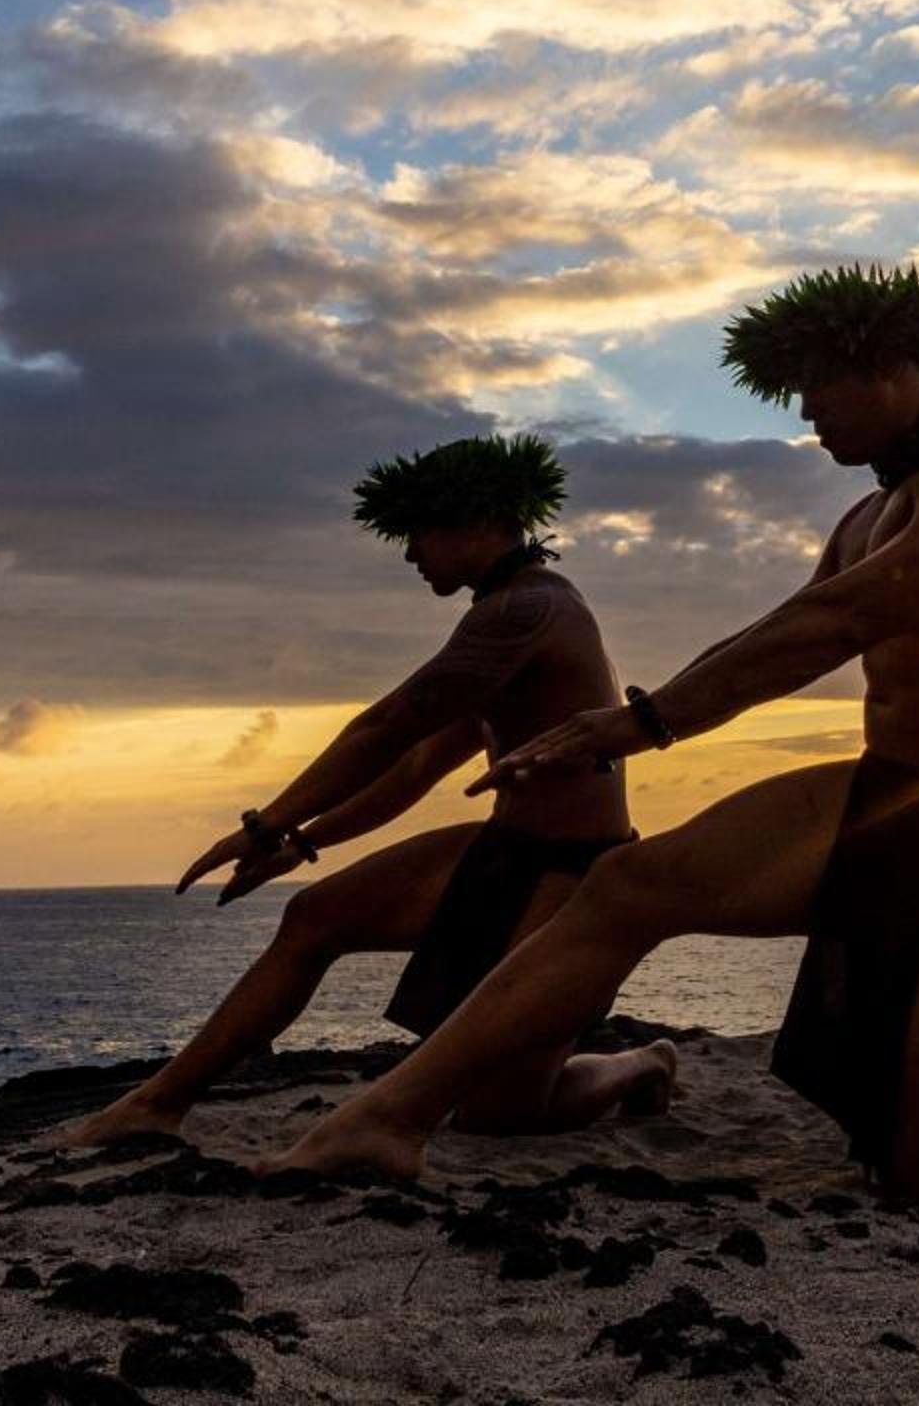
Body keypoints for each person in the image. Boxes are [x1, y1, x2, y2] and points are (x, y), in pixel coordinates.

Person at [269, 261, 919, 1200]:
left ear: (893, 365)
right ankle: (386, 1118)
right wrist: (637, 711)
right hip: (882, 787)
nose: (805, 412)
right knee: (628, 885)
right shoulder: (868, 512)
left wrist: (646, 722)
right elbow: (778, 628)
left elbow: (838, 623)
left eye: (817, 385)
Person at [50, 433, 675, 1149]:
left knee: (502, 1117)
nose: (410, 555)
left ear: (479, 521)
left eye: (420, 532)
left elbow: (387, 725)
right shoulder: (505, 612)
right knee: (314, 917)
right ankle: (157, 1104)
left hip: (570, 876)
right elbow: (416, 765)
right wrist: (304, 841)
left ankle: (643, 1062)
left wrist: (264, 825)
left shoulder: (526, 611)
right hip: (503, 851)